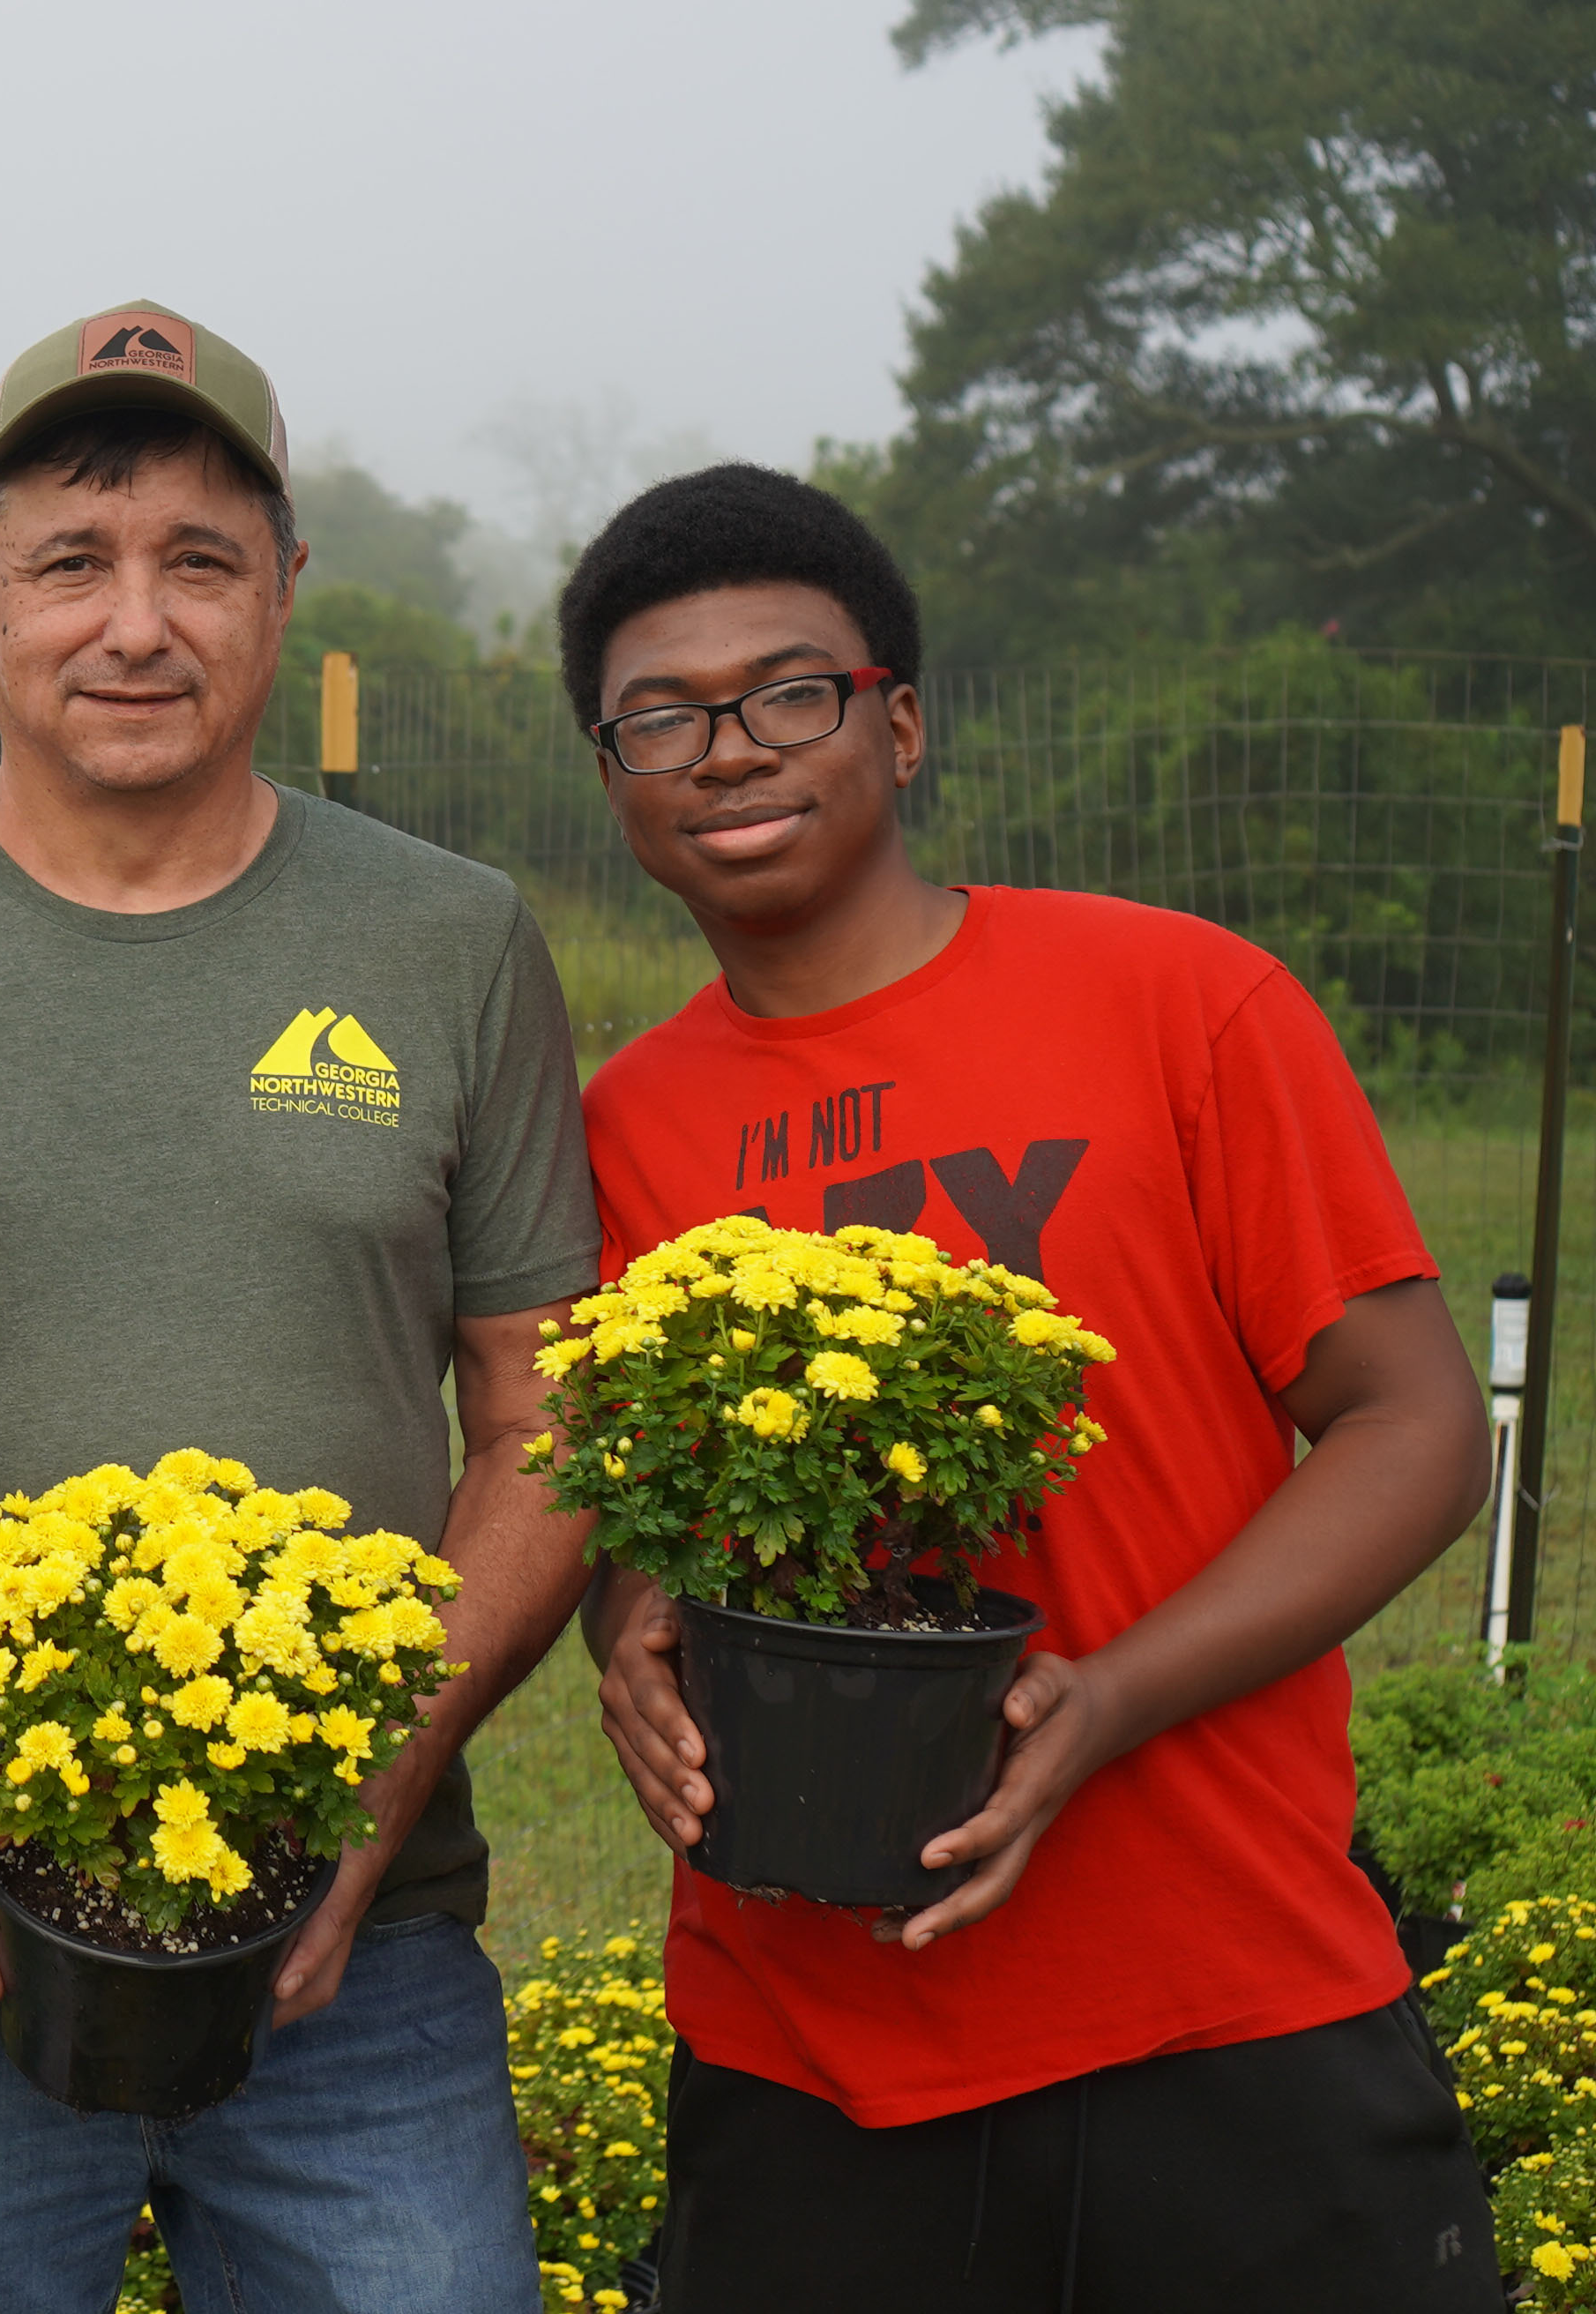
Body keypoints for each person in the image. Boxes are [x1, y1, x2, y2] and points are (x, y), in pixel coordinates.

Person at [0, 300, 592, 2314]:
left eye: (200, 560)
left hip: (363, 1946)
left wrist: (373, 1782)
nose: (135, 623)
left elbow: (547, 1422)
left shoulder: (451, 941)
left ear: (285, 595)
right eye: (73, 561)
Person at [563, 463, 1503, 2310]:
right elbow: (627, 1512)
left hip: (1228, 2001)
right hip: (817, 2053)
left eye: (792, 693)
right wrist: (632, 1629)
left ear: (900, 725)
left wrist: (1113, 1696)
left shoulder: (1175, 1001)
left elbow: (1413, 1427)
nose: (731, 750)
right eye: (661, 718)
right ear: (617, 784)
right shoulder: (620, 1132)